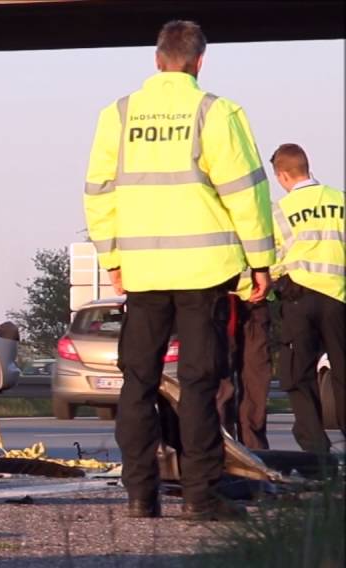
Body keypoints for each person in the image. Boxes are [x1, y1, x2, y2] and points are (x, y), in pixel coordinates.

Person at [83, 20, 275, 520]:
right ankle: (200, 497)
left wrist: (113, 258)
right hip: (203, 272)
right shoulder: (216, 112)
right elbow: (246, 195)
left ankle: (140, 495)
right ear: (200, 62)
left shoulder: (118, 115)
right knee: (198, 384)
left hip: (143, 272)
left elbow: (98, 195)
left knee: (138, 382)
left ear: (156, 59)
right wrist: (261, 262)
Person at [268, 143, 345, 454]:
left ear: (284, 175)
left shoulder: (281, 210)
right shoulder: (340, 201)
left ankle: (316, 449)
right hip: (338, 297)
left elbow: (271, 258)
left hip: (298, 296)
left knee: (297, 373)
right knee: (342, 370)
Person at [216, 273, 272, 450]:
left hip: (254, 299)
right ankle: (225, 449)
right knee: (222, 380)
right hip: (222, 296)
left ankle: (253, 452)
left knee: (255, 377)